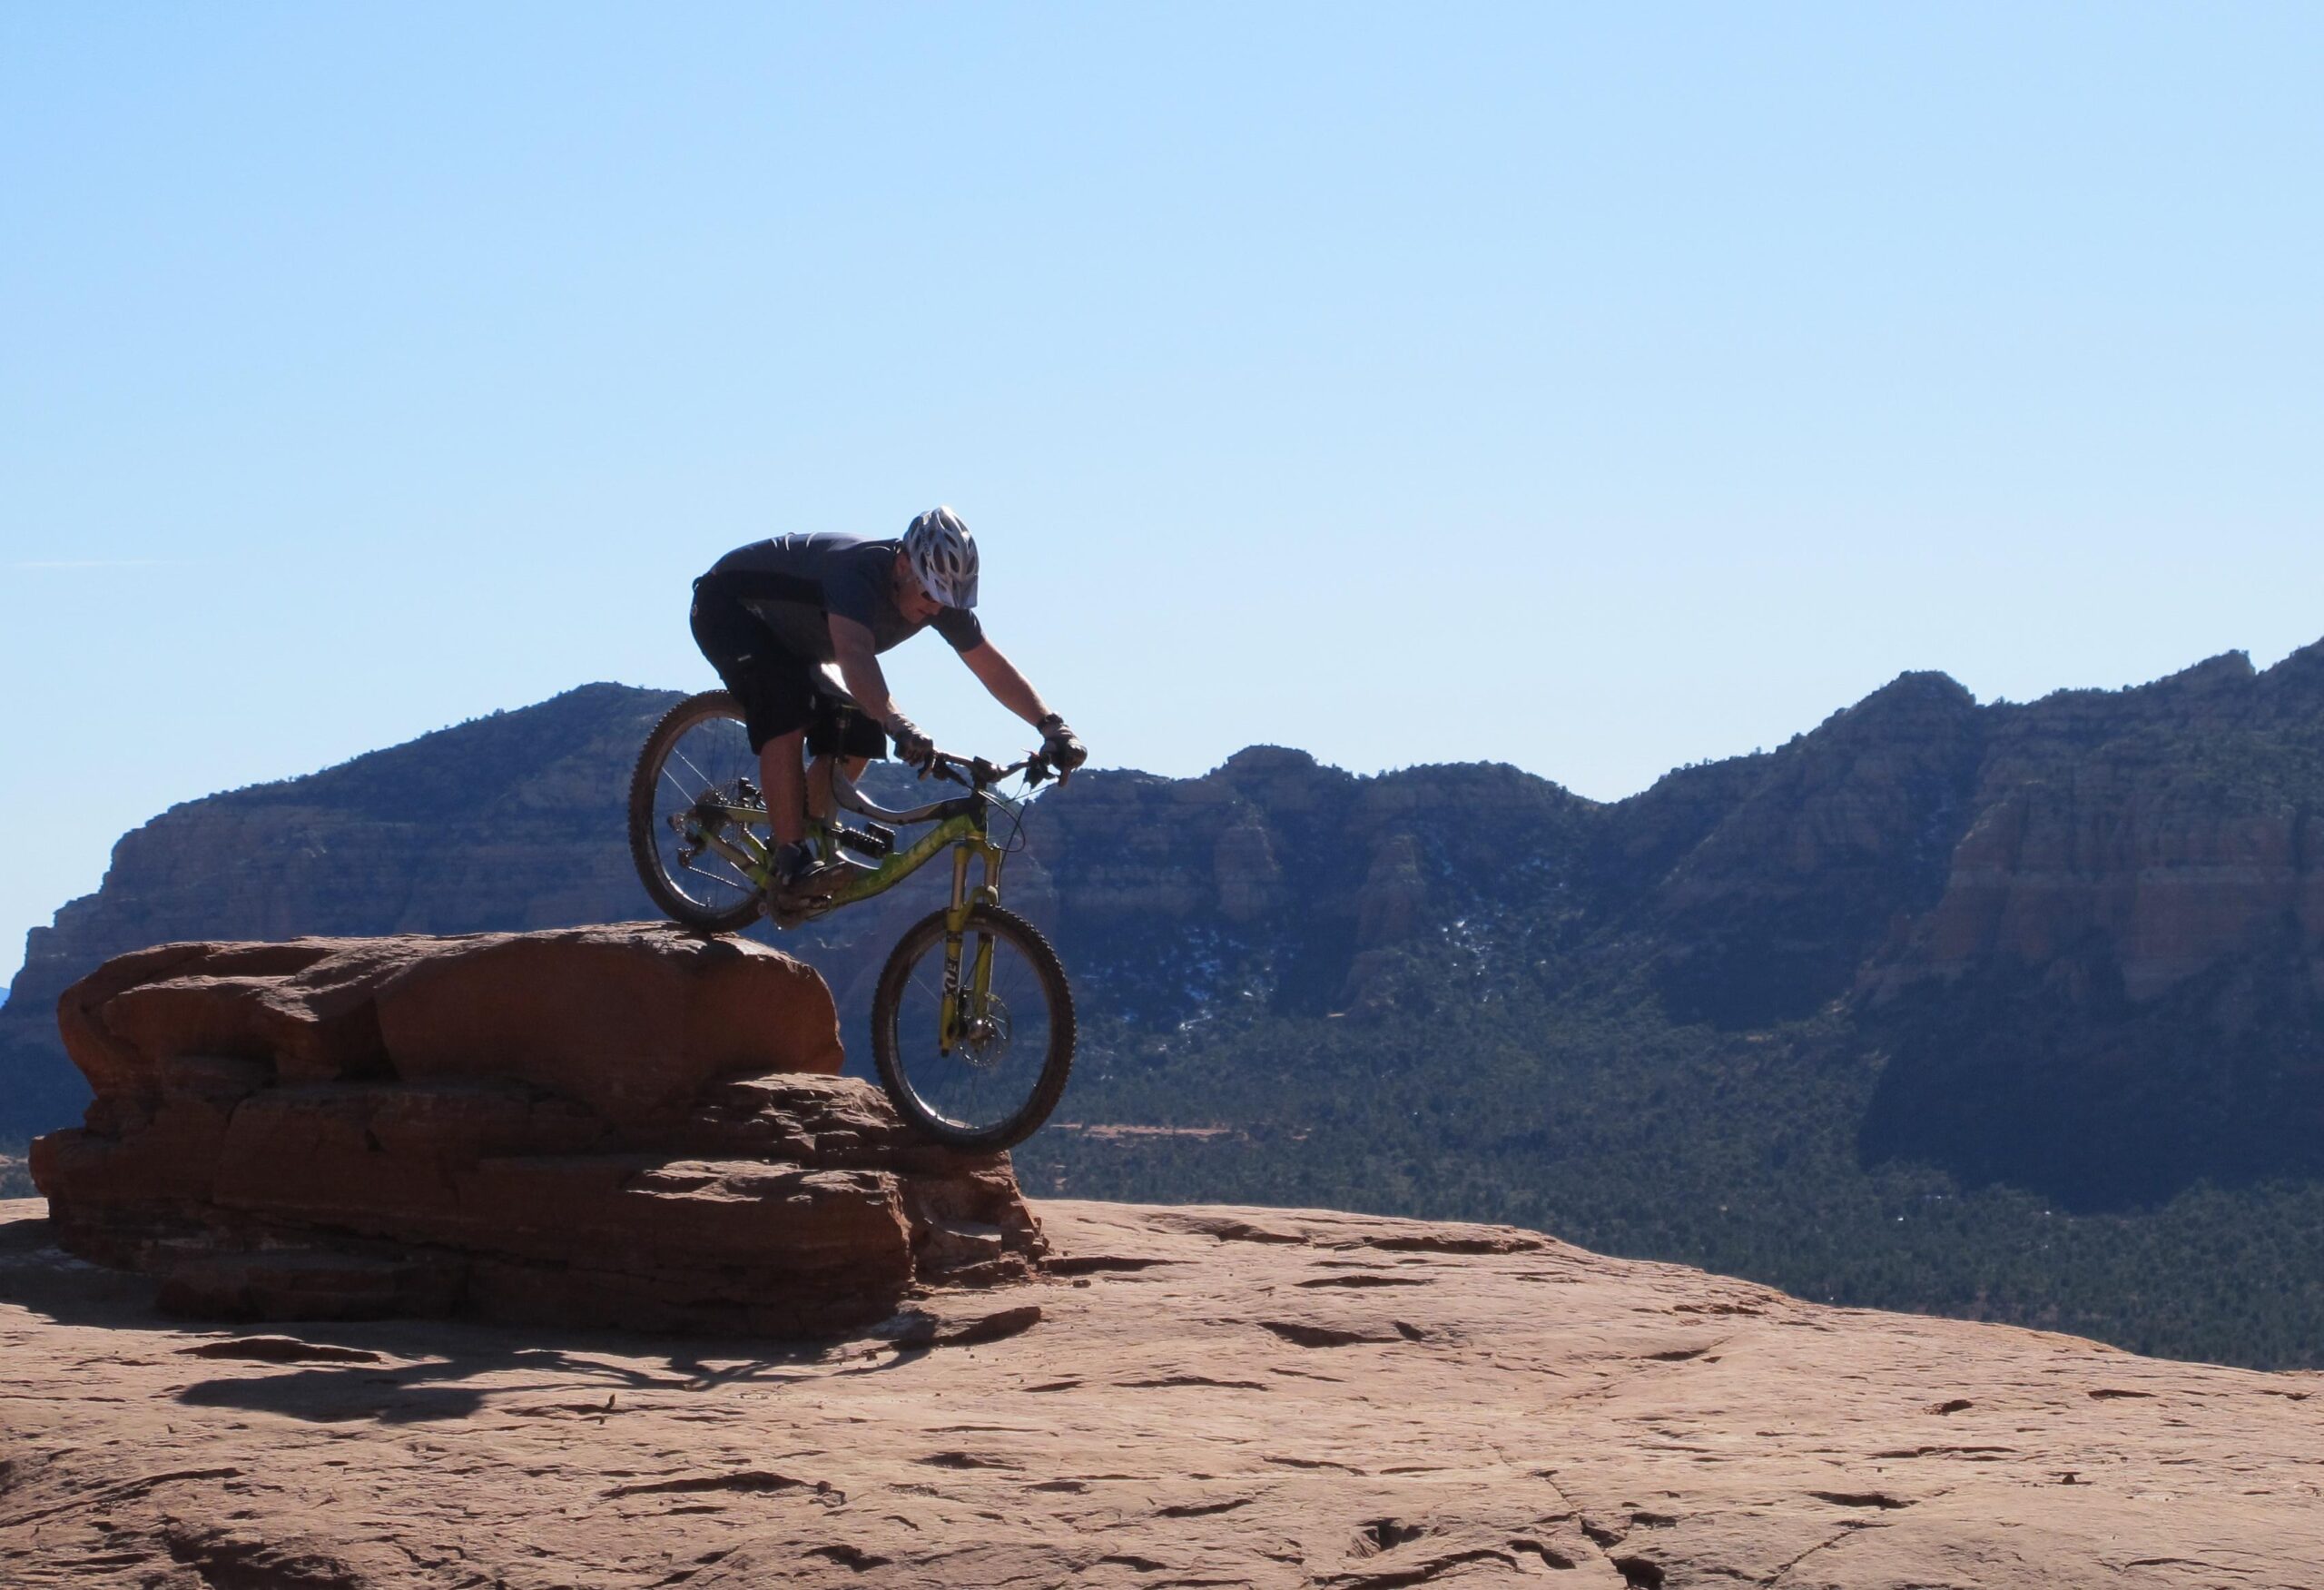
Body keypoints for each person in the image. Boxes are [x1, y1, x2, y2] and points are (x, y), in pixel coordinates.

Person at [688, 507, 1086, 904]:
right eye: (930, 594)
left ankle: (789, 839)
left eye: (947, 600)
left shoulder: (938, 599)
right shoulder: (858, 574)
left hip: (798, 638)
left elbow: (990, 666)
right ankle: (792, 859)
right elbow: (855, 658)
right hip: (730, 608)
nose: (935, 609)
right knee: (785, 707)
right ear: (902, 565)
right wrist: (899, 721)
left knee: (860, 733)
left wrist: (1052, 726)